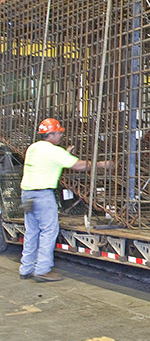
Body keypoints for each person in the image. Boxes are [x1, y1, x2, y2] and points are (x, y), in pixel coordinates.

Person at [19, 118, 111, 283]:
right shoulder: (54, 151)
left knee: (32, 231)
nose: (61, 135)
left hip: (27, 193)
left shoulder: (33, 148)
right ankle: (42, 270)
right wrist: (101, 164)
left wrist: (64, 154)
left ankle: (26, 268)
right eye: (59, 133)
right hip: (42, 195)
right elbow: (78, 166)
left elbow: (47, 163)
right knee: (49, 231)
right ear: (51, 134)